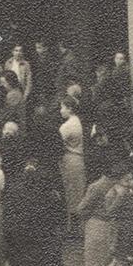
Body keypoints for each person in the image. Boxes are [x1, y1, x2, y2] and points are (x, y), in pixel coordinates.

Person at [8, 158, 69, 266]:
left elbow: (11, 219)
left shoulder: (17, 193)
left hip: (25, 242)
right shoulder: (50, 197)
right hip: (46, 241)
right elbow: (58, 218)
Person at [75, 164, 118, 266]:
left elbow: (81, 209)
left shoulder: (99, 186)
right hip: (102, 225)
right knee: (101, 264)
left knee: (98, 265)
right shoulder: (102, 186)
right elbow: (82, 209)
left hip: (101, 225)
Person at [58, 95, 86, 235]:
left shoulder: (68, 126)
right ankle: (77, 227)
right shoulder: (78, 122)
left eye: (62, 107)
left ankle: (73, 228)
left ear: (69, 109)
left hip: (70, 161)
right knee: (77, 193)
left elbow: (56, 142)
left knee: (71, 194)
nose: (61, 110)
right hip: (77, 160)